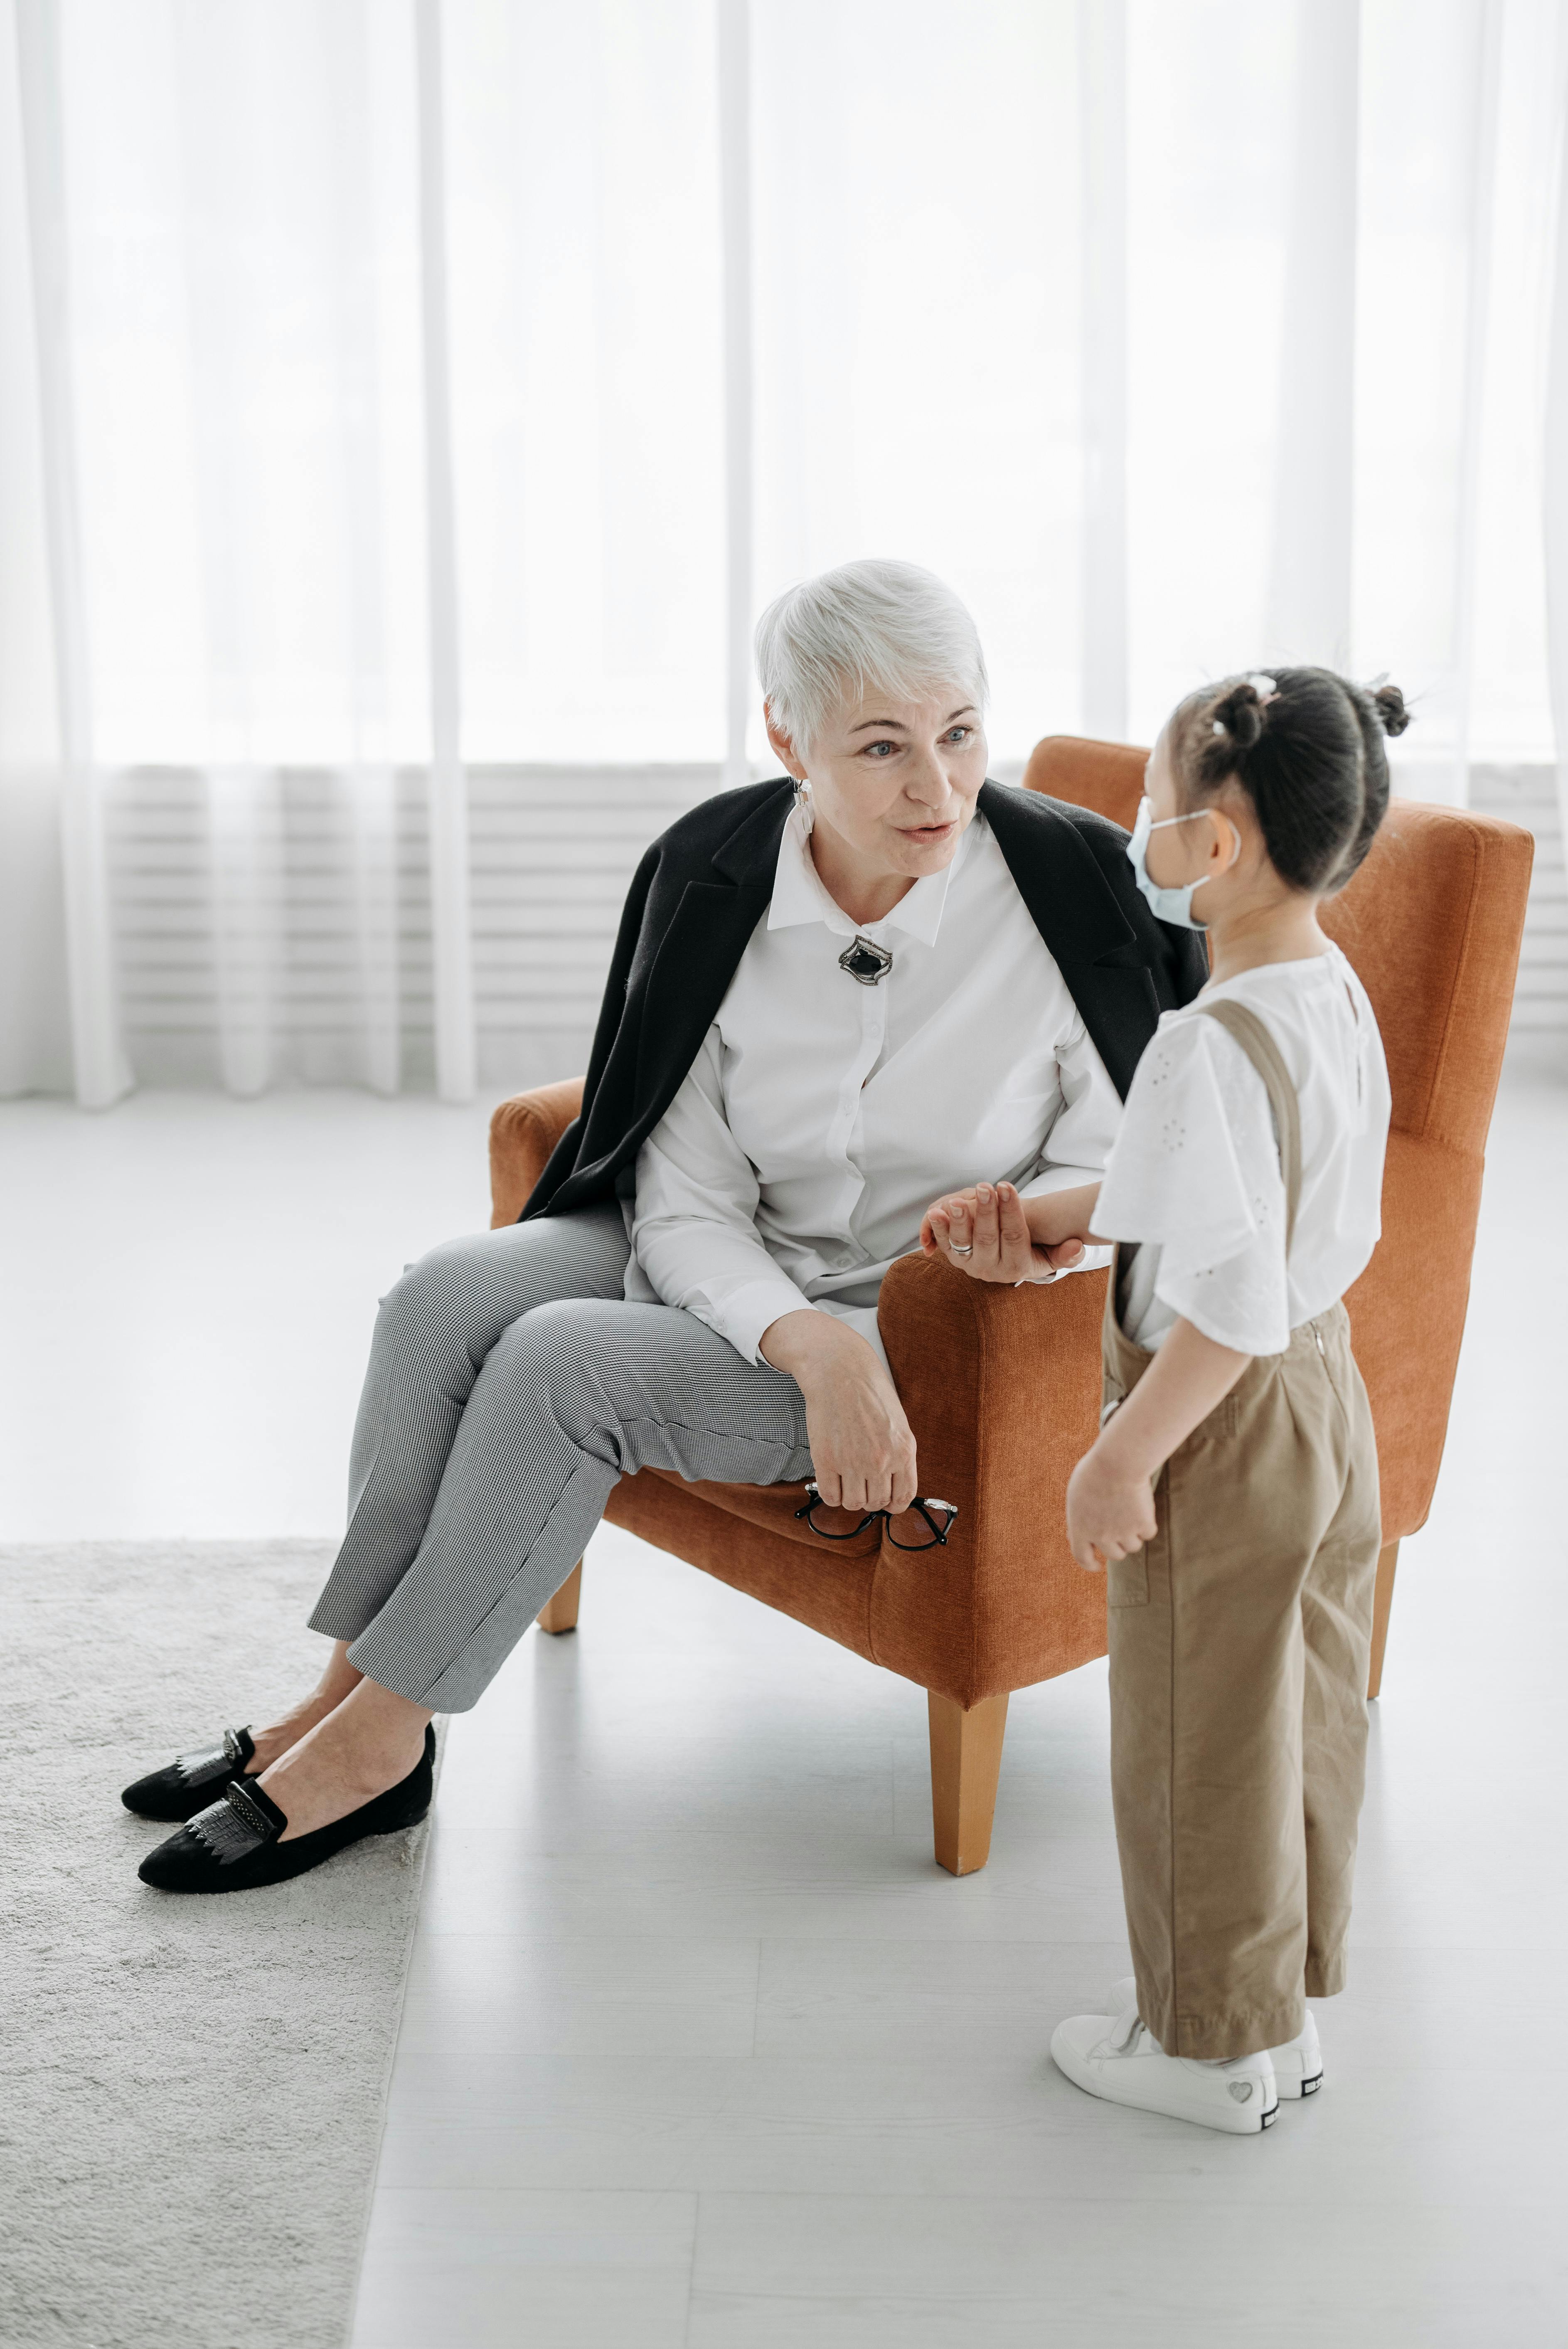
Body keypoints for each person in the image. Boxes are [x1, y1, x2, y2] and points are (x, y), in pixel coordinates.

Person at [123, 557, 1207, 1893]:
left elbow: (1136, 1162)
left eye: (960, 732)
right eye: (882, 747)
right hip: (757, 1279)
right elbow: (680, 1195)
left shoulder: (1069, 893)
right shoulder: (715, 872)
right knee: (439, 1299)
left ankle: (377, 1749)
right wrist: (809, 1344)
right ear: (786, 738)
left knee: (558, 1362)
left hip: (936, 1319)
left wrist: (1016, 1239)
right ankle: (334, 1704)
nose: (937, 787)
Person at [922, 665, 1403, 2134]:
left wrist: (1119, 1456)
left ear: (1221, 847)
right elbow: (1265, 1210)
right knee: (1292, 1710)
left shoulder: (1200, 1046)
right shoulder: (1324, 989)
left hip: (1224, 1419)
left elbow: (1224, 1299)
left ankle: (1197, 2051)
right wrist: (1080, 1218)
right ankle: (1276, 2027)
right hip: (1329, 1398)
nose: (1133, 830)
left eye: (1151, 810)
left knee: (1195, 1733)